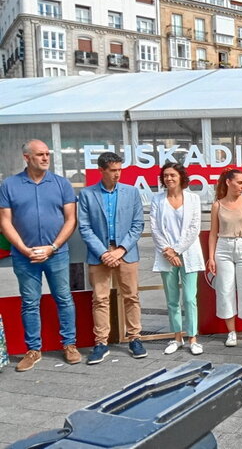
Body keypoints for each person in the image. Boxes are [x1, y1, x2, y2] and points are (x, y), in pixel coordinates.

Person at [0, 140, 80, 371]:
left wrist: (52, 247)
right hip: (24, 256)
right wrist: (24, 249)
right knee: (29, 302)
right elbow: (5, 222)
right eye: (40, 155)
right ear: (27, 157)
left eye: (47, 154)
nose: (45, 158)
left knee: (64, 299)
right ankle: (33, 350)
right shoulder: (9, 185)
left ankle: (69, 345)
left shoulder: (61, 184)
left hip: (56, 253)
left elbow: (71, 220)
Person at [78, 152, 145, 365]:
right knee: (100, 298)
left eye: (119, 170)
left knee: (131, 296)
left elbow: (138, 224)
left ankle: (135, 338)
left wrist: (121, 250)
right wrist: (104, 253)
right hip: (100, 254)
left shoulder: (131, 192)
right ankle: (101, 343)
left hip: (125, 252)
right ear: (102, 171)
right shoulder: (87, 194)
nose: (117, 174)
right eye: (113, 170)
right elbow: (85, 227)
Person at [149, 162, 205, 355]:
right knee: (172, 299)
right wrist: (168, 251)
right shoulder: (157, 200)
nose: (169, 179)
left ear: (181, 177)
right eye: (165, 176)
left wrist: (177, 250)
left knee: (189, 298)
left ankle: (193, 338)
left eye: (172, 175)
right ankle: (177, 337)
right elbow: (155, 228)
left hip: (188, 253)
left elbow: (194, 228)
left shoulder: (193, 199)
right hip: (166, 255)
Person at [207, 168, 242, 346]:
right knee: (225, 289)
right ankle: (232, 332)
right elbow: (213, 233)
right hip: (223, 248)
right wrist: (211, 257)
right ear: (228, 182)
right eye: (240, 182)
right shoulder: (217, 205)